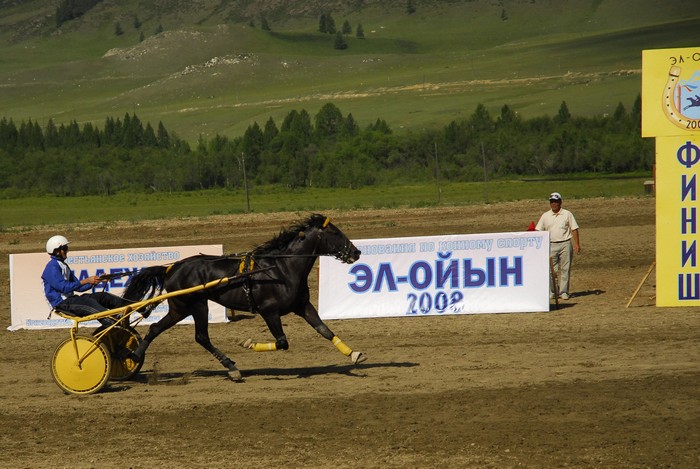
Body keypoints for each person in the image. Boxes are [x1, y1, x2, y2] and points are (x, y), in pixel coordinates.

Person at [42, 235, 132, 332]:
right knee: (90, 303)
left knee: (103, 297)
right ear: (56, 251)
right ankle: (114, 324)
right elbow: (63, 288)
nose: (67, 250)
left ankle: (131, 308)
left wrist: (98, 280)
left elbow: (79, 287)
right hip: (62, 304)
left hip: (72, 300)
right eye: (65, 248)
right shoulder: (52, 267)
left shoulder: (63, 265)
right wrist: (86, 280)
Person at [535, 192, 580, 300]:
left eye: (556, 201)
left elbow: (574, 229)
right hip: (551, 244)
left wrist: (577, 244)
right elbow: (538, 230)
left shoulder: (567, 214)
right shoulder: (545, 216)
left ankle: (564, 292)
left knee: (565, 269)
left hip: (565, 243)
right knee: (551, 271)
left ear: (560, 202)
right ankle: (553, 291)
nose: (554, 204)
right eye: (552, 202)